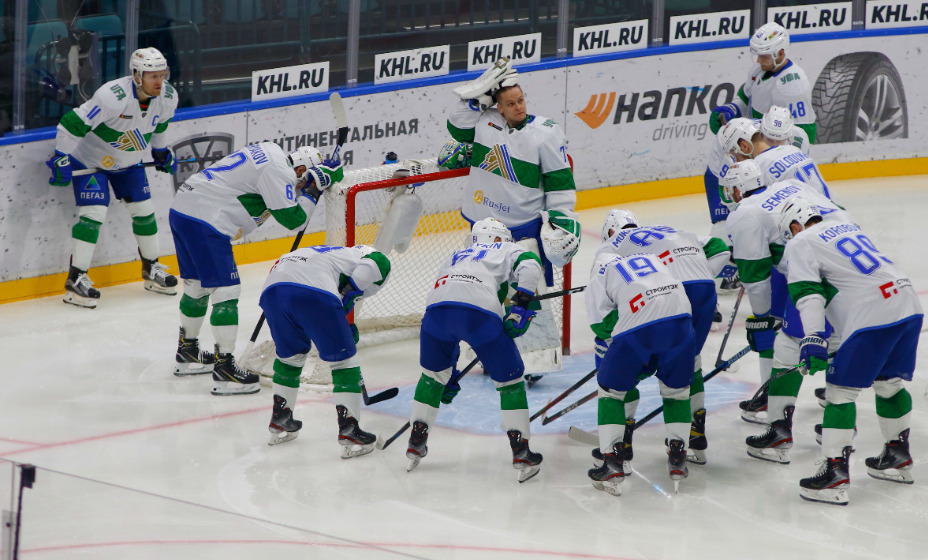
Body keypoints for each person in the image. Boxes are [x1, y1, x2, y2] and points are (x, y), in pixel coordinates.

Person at [169, 142, 342, 395]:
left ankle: (188, 352)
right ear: (300, 170)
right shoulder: (279, 172)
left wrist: (312, 184)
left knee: (196, 286)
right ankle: (225, 370)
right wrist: (314, 191)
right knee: (226, 292)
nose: (299, 188)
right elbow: (294, 220)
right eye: (303, 181)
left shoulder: (272, 153)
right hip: (207, 220)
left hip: (183, 209)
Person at [779, 197, 922, 505]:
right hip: (908, 304)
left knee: (840, 393)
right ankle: (897, 455)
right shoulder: (846, 228)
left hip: (872, 315)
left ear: (795, 226)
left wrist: (813, 336)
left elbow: (808, 293)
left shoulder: (801, 241)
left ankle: (834, 474)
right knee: (889, 384)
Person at [447, 57, 580, 384]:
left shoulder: (545, 133)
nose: (518, 107)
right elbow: (455, 125)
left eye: (521, 100)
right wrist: (478, 94)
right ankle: (489, 355)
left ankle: (535, 362)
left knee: (527, 295)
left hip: (524, 231)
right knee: (484, 295)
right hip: (482, 229)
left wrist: (561, 221)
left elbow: (560, 182)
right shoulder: (485, 121)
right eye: (510, 103)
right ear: (499, 107)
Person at [720, 160, 850, 463]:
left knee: (790, 345)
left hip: (819, 273)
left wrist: (763, 318)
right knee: (840, 344)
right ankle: (839, 427)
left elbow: (755, 277)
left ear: (737, 191)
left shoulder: (745, 214)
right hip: (859, 271)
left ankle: (779, 429)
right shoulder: (790, 186)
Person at [406, 218, 545, 483]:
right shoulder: (506, 249)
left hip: (436, 313)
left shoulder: (455, 254)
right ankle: (521, 450)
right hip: (479, 313)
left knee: (432, 377)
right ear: (497, 238)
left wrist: (449, 371)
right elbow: (530, 264)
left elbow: (451, 297)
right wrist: (522, 305)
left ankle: (416, 440)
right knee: (510, 380)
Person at [595, 210, 731, 466]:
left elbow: (603, 314)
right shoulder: (663, 231)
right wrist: (697, 276)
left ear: (610, 232)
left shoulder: (609, 248)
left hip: (663, 297)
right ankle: (695, 432)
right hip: (703, 288)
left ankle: (622, 437)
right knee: (689, 359)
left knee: (622, 359)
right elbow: (719, 247)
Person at [46, 47, 180, 308]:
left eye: (162, 75)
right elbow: (71, 123)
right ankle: (76, 278)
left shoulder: (168, 96)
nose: (159, 81)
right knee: (93, 214)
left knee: (145, 212)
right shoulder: (112, 96)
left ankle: (151, 269)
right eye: (153, 76)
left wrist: (161, 151)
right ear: (137, 75)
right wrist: (61, 156)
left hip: (129, 163)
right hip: (90, 162)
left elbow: (160, 125)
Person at [259, 244, 392, 458]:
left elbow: (335, 293)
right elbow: (377, 263)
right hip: (312, 290)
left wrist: (342, 323)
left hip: (272, 291)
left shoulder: (335, 256)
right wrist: (346, 305)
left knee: (290, 357)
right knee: (344, 361)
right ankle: (350, 428)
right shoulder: (367, 254)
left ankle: (280, 418)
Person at [586, 251, 695, 496]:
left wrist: (631, 364)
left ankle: (612, 462)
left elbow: (602, 327)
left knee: (610, 391)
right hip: (681, 319)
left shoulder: (600, 273)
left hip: (640, 326)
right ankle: (678, 455)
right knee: (677, 392)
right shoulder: (652, 260)